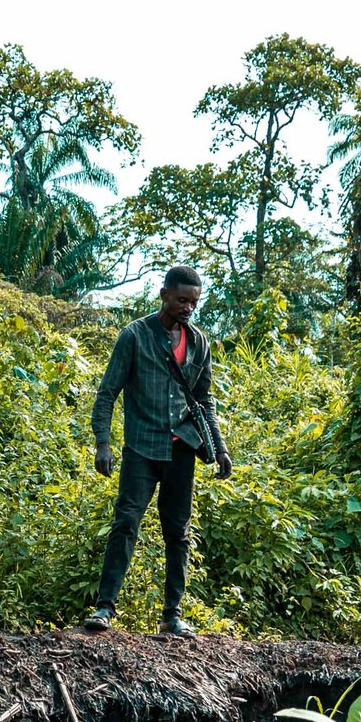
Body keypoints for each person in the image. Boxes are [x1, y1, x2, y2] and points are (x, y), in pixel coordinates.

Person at [84, 264, 231, 637]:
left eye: (194, 303)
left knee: (178, 532)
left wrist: (220, 447)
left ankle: (172, 616)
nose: (188, 308)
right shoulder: (134, 336)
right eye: (182, 300)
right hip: (141, 446)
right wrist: (103, 443)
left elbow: (204, 400)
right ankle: (104, 609)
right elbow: (107, 394)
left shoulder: (198, 342)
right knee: (126, 522)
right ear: (164, 294)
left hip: (183, 447)